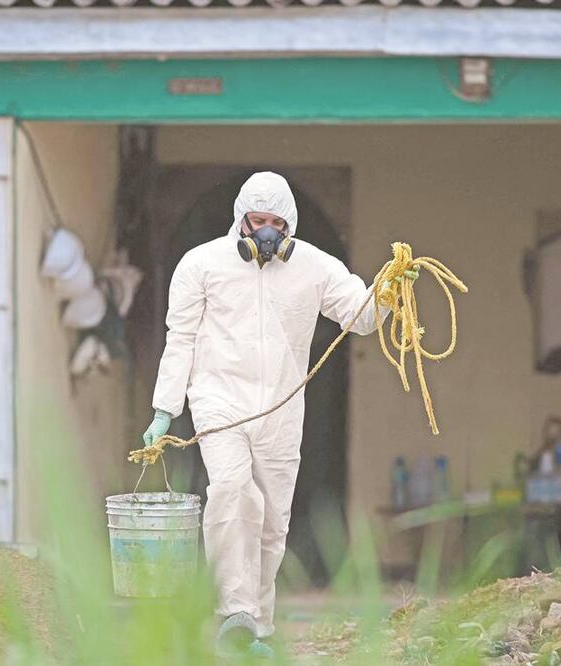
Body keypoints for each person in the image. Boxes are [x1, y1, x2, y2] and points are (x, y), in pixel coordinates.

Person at [143, 172, 408, 658]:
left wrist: (387, 291)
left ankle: (255, 628)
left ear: (290, 225)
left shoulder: (315, 267)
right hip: (219, 401)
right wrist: (165, 409)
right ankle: (233, 612)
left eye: (276, 223)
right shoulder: (201, 265)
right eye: (257, 220)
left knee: (271, 521)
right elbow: (180, 338)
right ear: (240, 219)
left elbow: (362, 317)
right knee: (231, 491)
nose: (266, 232)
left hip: (282, 407)